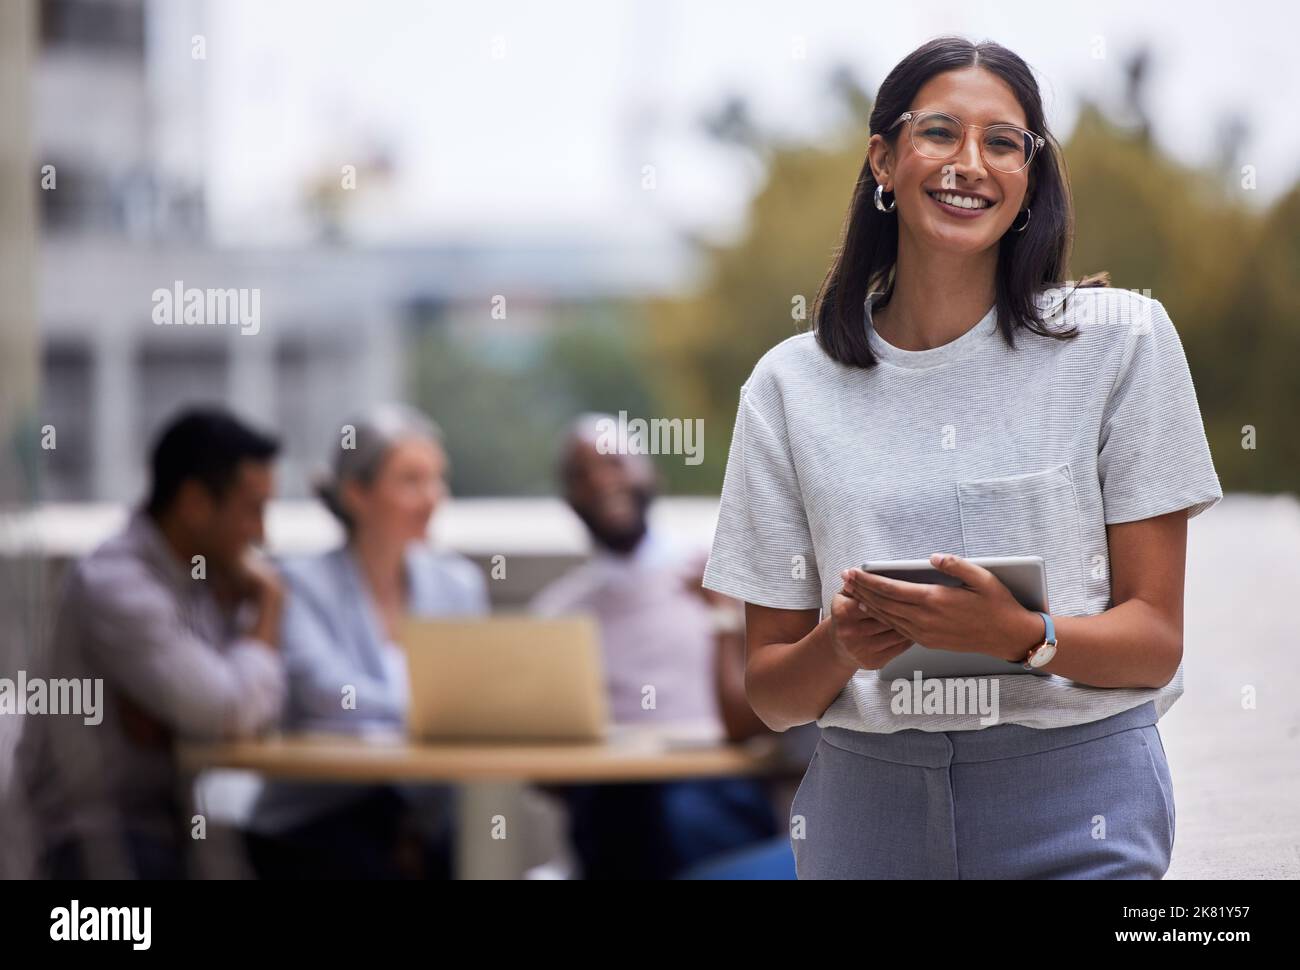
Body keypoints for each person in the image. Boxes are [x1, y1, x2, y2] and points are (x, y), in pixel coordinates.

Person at [701, 36, 1223, 879]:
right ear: (884, 158)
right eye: (939, 132)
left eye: (1003, 142)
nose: (968, 164)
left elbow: (1155, 639)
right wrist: (841, 644)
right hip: (865, 816)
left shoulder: (1121, 343)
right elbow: (771, 693)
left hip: (1078, 796)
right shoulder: (787, 386)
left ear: (1030, 176)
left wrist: (1021, 636)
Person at [19, 407, 286, 879]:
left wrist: (201, 711)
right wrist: (267, 605)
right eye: (252, 510)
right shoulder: (117, 586)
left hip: (171, 825)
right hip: (89, 838)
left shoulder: (199, 580)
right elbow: (230, 708)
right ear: (195, 503)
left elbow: (256, 707)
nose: (261, 534)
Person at [530, 414, 779, 879]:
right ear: (568, 499)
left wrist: (722, 616)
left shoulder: (716, 572)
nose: (602, 482)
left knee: (675, 813)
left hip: (713, 785)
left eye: (615, 464)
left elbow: (767, 711)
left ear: (650, 473)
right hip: (612, 794)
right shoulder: (558, 612)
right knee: (620, 808)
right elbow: (546, 776)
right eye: (582, 474)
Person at [245, 403, 488, 879]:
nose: (432, 497)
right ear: (357, 493)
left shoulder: (458, 584)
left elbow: (472, 694)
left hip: (423, 818)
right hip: (319, 817)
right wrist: (435, 711)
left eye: (437, 479)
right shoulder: (297, 583)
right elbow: (325, 695)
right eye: (411, 481)